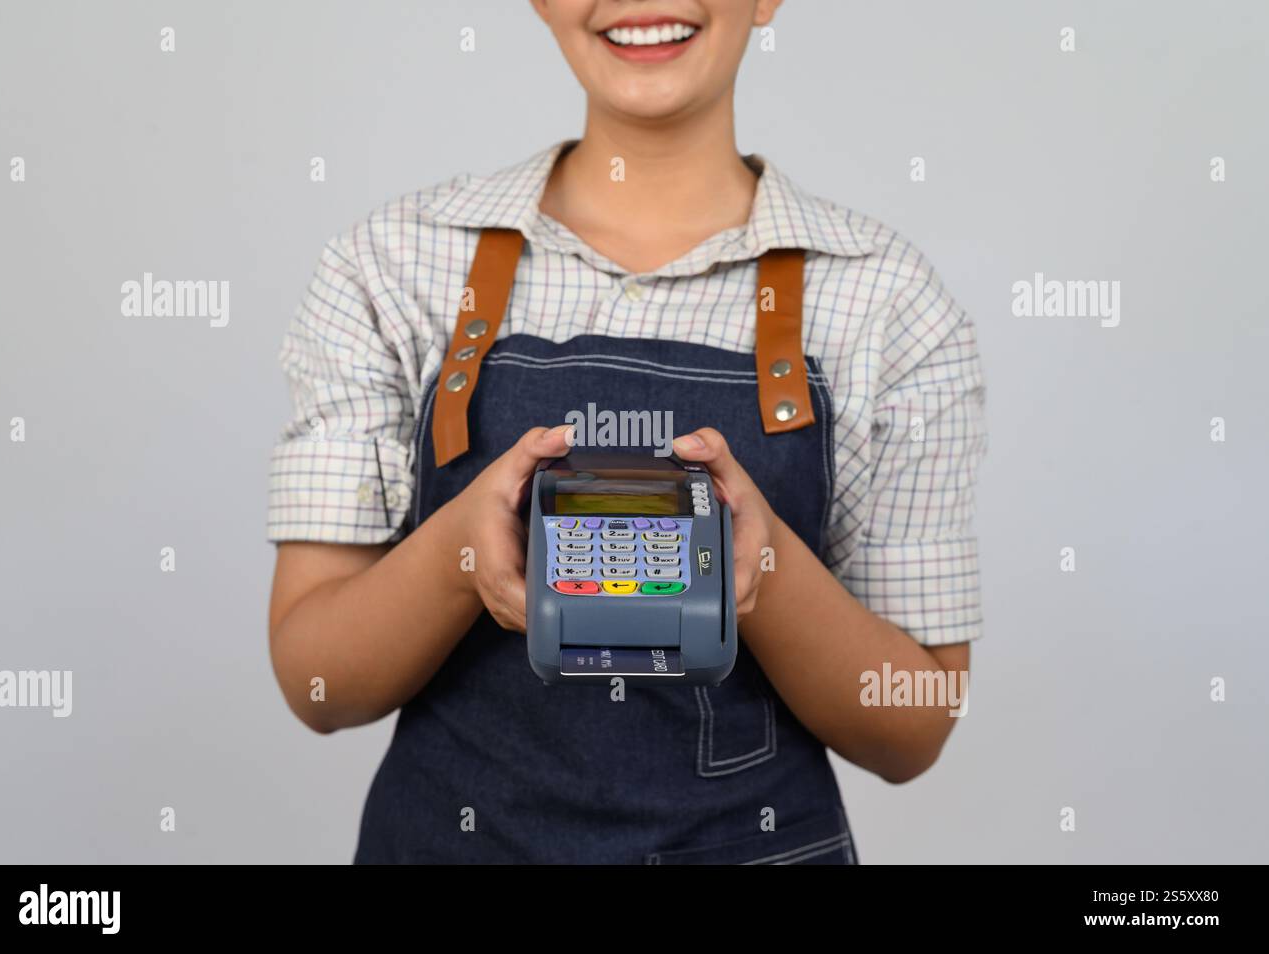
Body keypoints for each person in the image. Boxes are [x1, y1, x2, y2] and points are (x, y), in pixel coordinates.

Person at [266, 0, 987, 864]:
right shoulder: (388, 267)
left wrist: (765, 572)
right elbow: (316, 684)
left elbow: (913, 728)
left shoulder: (892, 305)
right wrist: (458, 555)